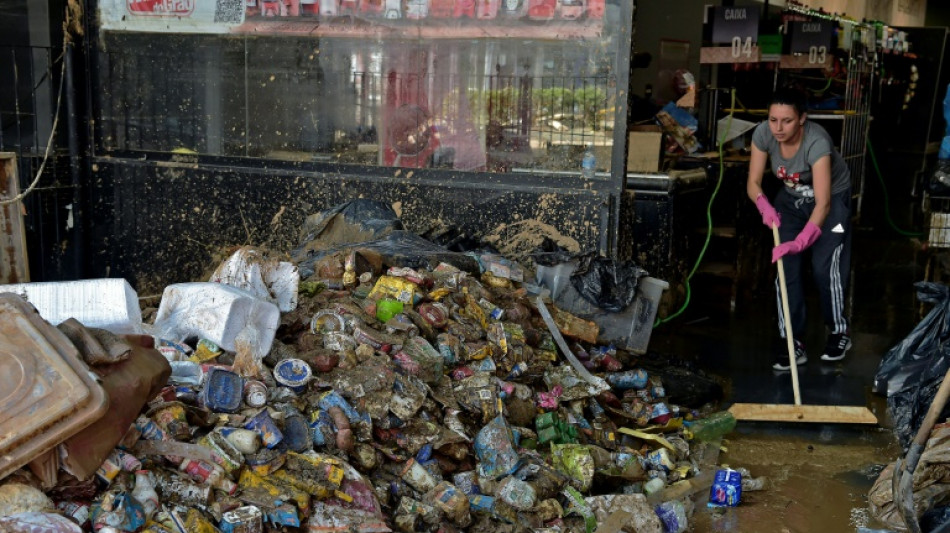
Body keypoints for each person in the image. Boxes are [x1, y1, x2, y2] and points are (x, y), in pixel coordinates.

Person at [746, 88, 852, 371]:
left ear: (802, 119)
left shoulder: (817, 142)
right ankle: (792, 339)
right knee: (784, 265)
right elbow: (753, 182)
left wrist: (803, 240)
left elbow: (824, 203)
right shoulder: (763, 134)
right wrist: (763, 206)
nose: (778, 128)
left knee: (824, 266)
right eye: (773, 120)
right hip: (791, 202)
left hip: (831, 203)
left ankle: (839, 331)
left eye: (787, 121)